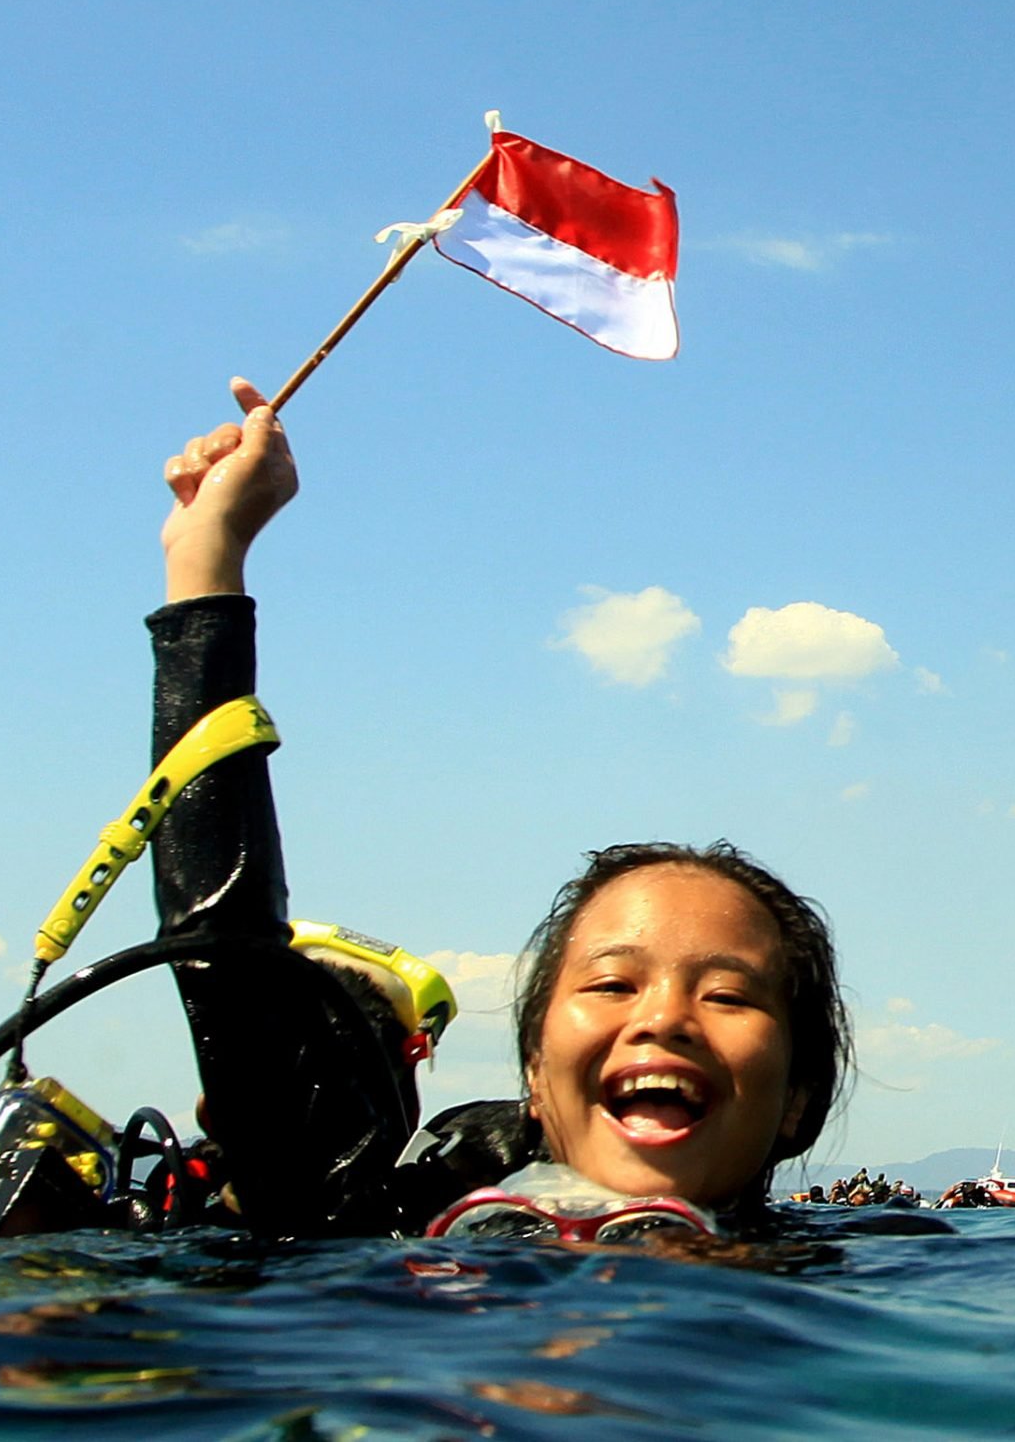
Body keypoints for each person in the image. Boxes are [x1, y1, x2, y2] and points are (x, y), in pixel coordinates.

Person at [149, 381, 852, 1238]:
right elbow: (228, 965)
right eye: (610, 983)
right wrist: (205, 559)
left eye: (730, 996)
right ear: (534, 1074)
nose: (663, 1018)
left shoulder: (890, 1281)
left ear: (799, 1101)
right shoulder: (373, 1234)